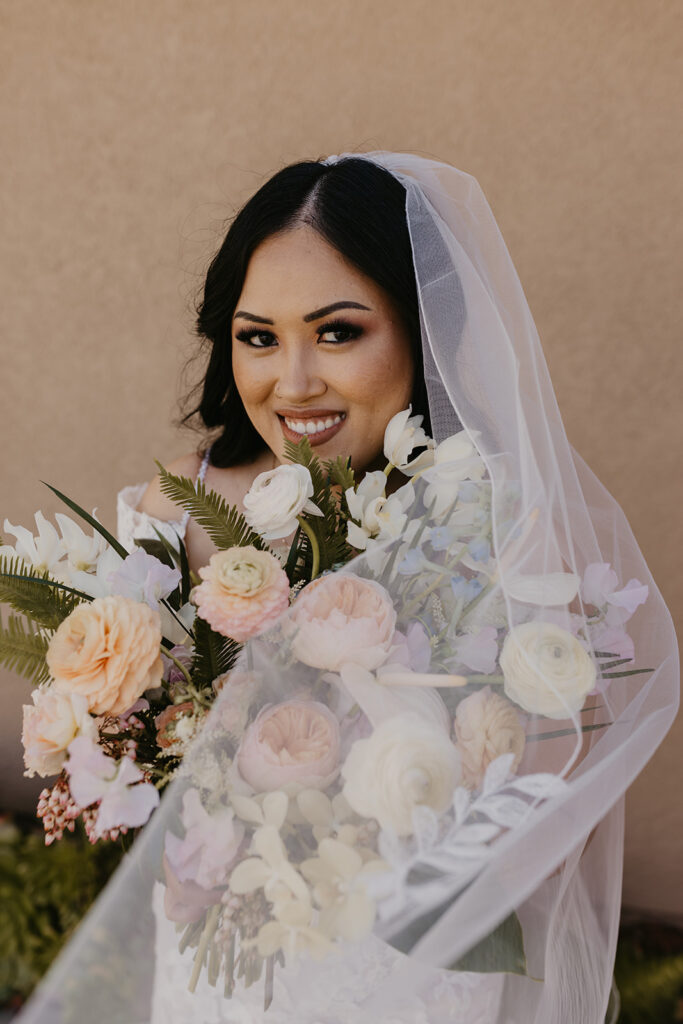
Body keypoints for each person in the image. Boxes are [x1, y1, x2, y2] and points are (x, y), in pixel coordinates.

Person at [17, 151, 679, 1024]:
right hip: (215, 963)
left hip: (406, 976)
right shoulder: (174, 506)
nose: (293, 383)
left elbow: (538, 807)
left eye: (336, 332)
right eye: (259, 337)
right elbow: (131, 759)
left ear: (420, 327)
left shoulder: (492, 527)